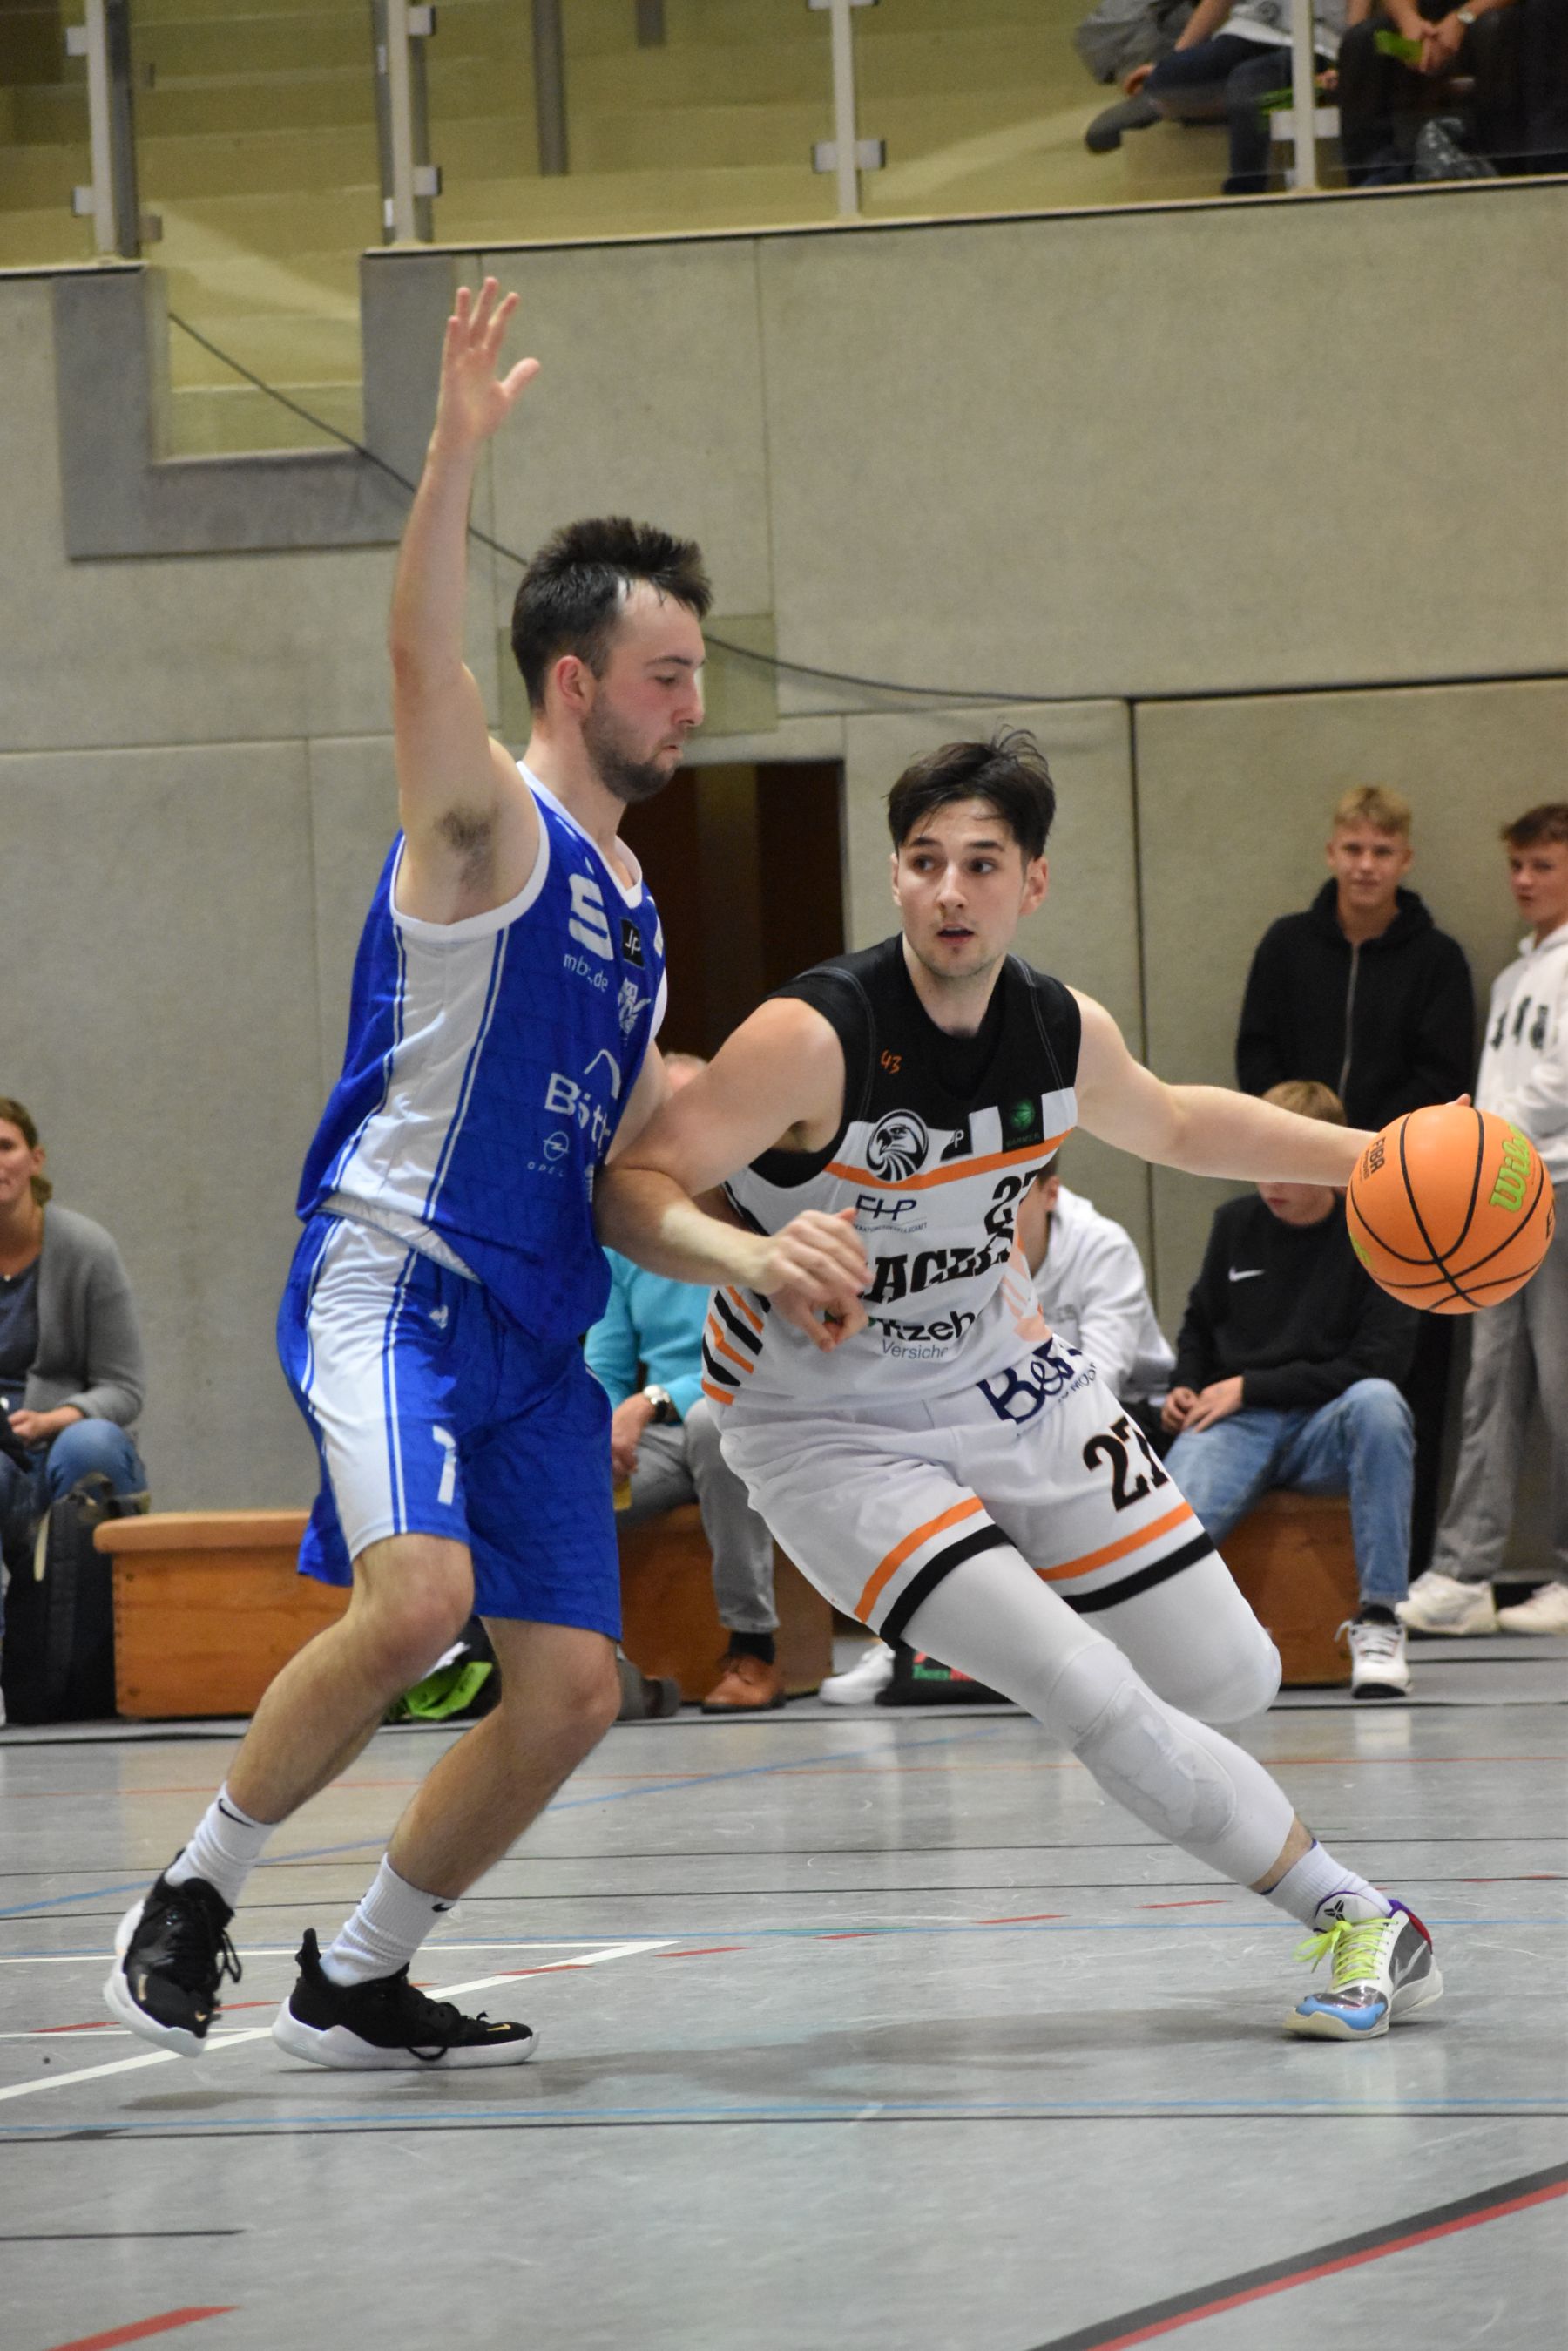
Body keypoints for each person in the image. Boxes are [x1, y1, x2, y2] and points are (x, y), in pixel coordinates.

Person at [598, 732, 1444, 2040]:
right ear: (896, 874)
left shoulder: (1057, 1025)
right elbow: (632, 1185)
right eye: (926, 861)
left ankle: (1162, 1752)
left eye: (981, 864)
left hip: (1007, 1376)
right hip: (827, 1424)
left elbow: (1170, 1122)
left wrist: (1381, 1155)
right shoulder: (817, 1033)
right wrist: (756, 1253)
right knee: (1082, 1684)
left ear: (1031, 883)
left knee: (1228, 1678)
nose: (950, 889)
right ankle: (1359, 1914)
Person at [104, 280, 708, 2070]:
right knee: (423, 1598)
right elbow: (410, 661)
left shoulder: (640, 914)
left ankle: (360, 1967)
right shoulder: (488, 825)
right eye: (670, 672)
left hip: (535, 1329)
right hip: (395, 1274)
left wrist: (764, 1221)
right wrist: (452, 454)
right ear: (577, 679)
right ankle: (196, 1885)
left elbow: (635, 1145)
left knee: (576, 1690)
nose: (696, 700)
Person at [821, 1150, 1177, 1707]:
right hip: (996, 1411)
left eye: (1013, 1193)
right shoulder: (956, 1239)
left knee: (1016, 1463)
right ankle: (903, 1644)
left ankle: (1084, 1646)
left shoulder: (1100, 1247)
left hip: (1115, 1415)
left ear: (1050, 1194)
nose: (995, 1207)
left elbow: (1101, 1379)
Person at [1237, 784, 1473, 1575]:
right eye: (1353, 849)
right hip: (1299, 1185)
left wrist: (1364, 1153)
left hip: (1403, 1196)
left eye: (1382, 852)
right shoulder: (1285, 946)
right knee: (1291, 1344)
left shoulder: (1437, 961)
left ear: (1403, 861)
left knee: (1407, 1374)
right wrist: (1306, 1146)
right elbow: (1255, 1057)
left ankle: (1402, 1571)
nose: (1365, 865)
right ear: (1331, 852)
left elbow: (1442, 1077)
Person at [1160, 1081, 1418, 1699]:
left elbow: (1378, 1362)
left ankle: (1380, 1620)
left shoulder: (1377, 1235)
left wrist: (1253, 1386)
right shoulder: (1235, 1224)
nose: (1269, 1181)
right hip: (1234, 1420)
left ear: (1330, 1166)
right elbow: (1200, 1321)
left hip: (1324, 1422)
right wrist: (1187, 1384)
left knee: (1381, 1405)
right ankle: (1140, 1646)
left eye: (1287, 1164)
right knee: (1168, 1531)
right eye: (1259, 1161)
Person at [1400, 803, 1568, 1637]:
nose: (1525, 881)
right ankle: (1466, 1572)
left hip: (1561, 1188)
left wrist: (1485, 1140)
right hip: (1504, 1200)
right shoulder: (1512, 977)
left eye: (1543, 865)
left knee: (1565, 1387)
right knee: (1489, 1389)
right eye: (1517, 866)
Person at [586, 1053, 784, 1714]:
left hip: (756, 1415)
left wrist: (654, 1399)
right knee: (557, 1469)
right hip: (659, 1438)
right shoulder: (625, 1238)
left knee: (714, 1425)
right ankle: (590, 1668)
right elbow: (606, 1367)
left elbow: (755, 1361)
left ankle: (754, 1649)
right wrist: (602, 1425)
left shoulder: (755, 1221)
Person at [0, 1098, 148, 1718]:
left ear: (34, 1159)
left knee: (91, 1446)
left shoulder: (87, 1249)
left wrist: (59, 1418)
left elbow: (125, 1389)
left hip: (65, 1446)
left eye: (4, 1147)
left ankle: (87, 1671)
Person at [1125, 0, 1350, 195]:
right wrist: (1173, 60)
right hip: (1247, 29)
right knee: (1164, 81)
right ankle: (1247, 101)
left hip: (1314, 42)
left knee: (1247, 82)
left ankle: (1244, 193)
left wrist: (1345, 64)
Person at [1336, 0, 1526, 181]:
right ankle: (1372, 178)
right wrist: (1408, 21)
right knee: (1364, 41)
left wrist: (1462, 18)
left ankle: (1505, 171)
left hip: (1483, 20)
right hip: (1421, 36)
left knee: (1493, 29)